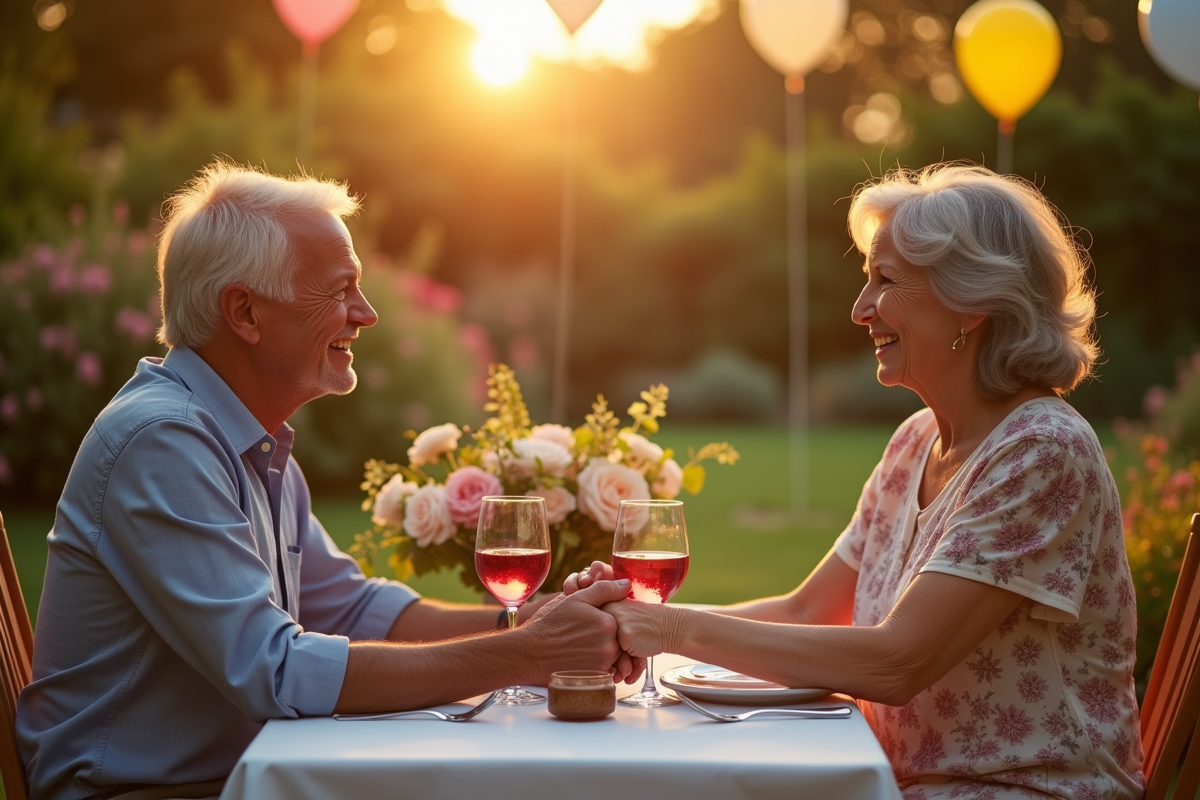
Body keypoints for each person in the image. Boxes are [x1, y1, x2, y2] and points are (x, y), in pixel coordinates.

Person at [17, 161, 638, 800]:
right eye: (340, 290)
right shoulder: (162, 441)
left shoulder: (246, 439)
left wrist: (524, 626)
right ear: (245, 312)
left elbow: (351, 608)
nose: (365, 314)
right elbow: (275, 672)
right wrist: (525, 655)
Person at [571, 164, 1144, 799]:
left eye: (886, 281)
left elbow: (897, 662)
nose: (860, 309)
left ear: (973, 300)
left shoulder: (1043, 451)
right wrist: (630, 619)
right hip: (907, 783)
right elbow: (808, 611)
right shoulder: (916, 441)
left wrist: (674, 630)